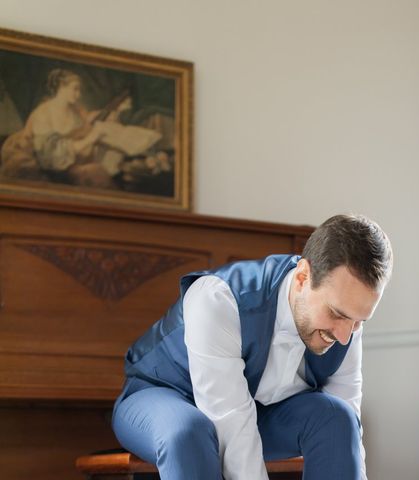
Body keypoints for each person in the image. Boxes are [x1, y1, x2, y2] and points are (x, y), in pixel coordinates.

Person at [111, 214, 393, 480]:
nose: (345, 336)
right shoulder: (217, 298)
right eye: (337, 314)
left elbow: (347, 434)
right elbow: (230, 423)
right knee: (189, 431)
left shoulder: (346, 325)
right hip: (160, 397)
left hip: (259, 412)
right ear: (302, 277)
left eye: (358, 321)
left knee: (337, 418)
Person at [0, 68, 129, 186]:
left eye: (79, 90)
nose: (78, 94)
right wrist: (90, 139)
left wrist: (108, 114)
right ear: (62, 87)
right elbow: (51, 155)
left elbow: (85, 120)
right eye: (75, 89)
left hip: (78, 157)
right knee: (96, 174)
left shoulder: (75, 108)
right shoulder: (43, 113)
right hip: (53, 165)